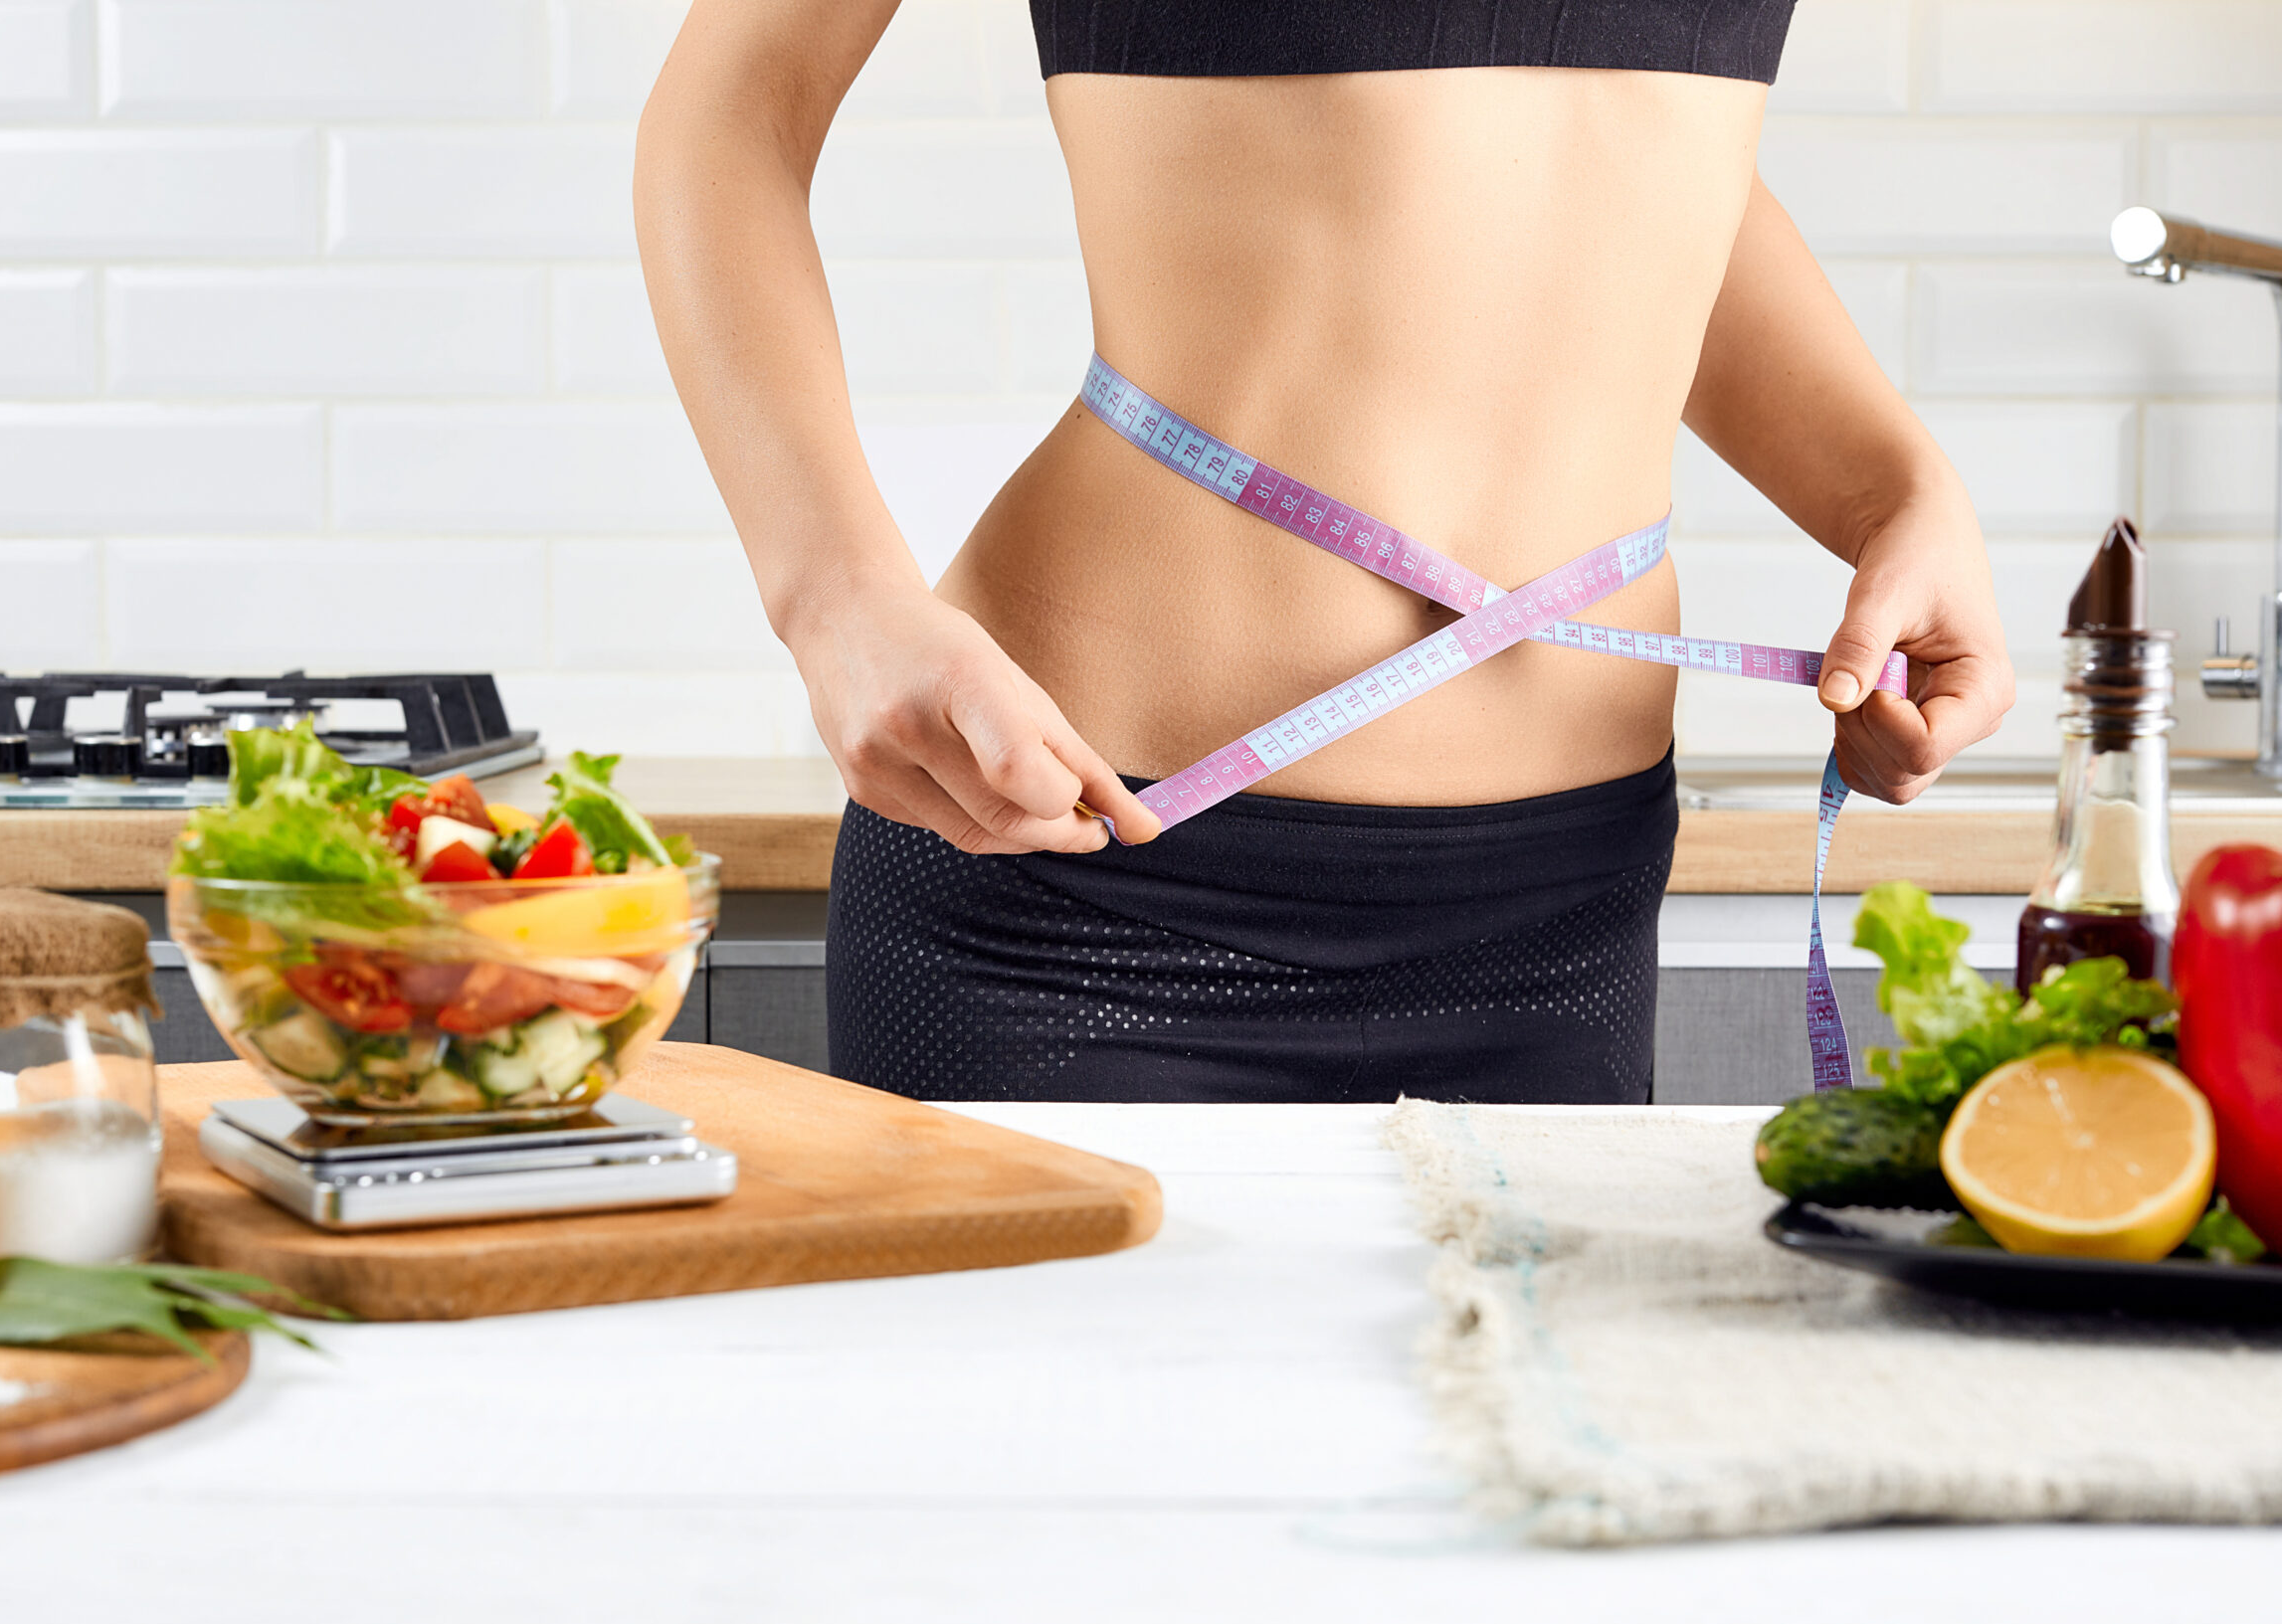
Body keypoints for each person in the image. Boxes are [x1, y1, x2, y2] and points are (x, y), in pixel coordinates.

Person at [635, 0, 2013, 1105]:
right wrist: (837, 601)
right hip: (1091, 888)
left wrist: (1894, 492)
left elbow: (1621, 155)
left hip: (1567, 904)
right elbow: (737, 104)